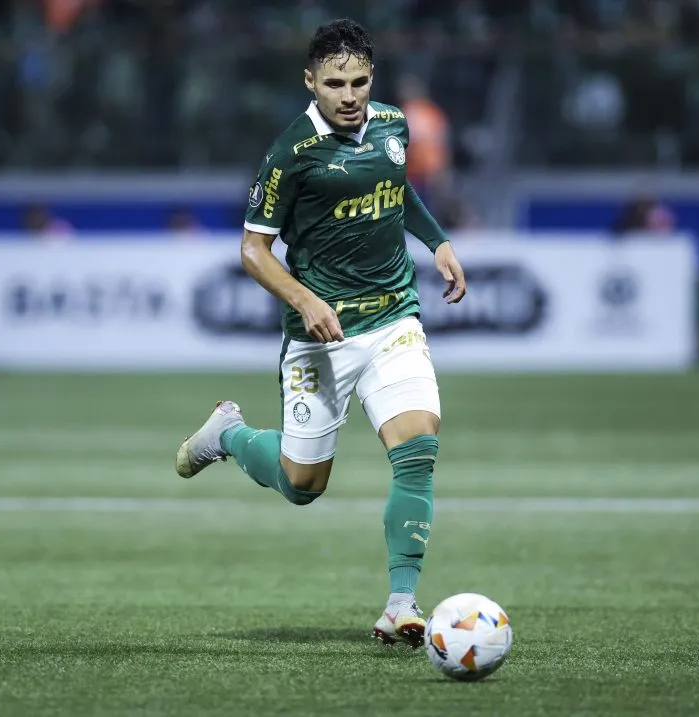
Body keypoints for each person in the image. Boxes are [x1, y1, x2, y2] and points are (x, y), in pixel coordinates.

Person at [174, 18, 466, 648]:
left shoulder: (393, 124)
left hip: (393, 319)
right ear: (311, 82)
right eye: (335, 83)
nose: (349, 94)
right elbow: (254, 250)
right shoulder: (292, 152)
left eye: (360, 81)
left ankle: (401, 604)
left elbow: (396, 188)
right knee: (303, 485)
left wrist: (437, 241)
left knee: (417, 449)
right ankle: (229, 433)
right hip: (321, 337)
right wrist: (304, 299)